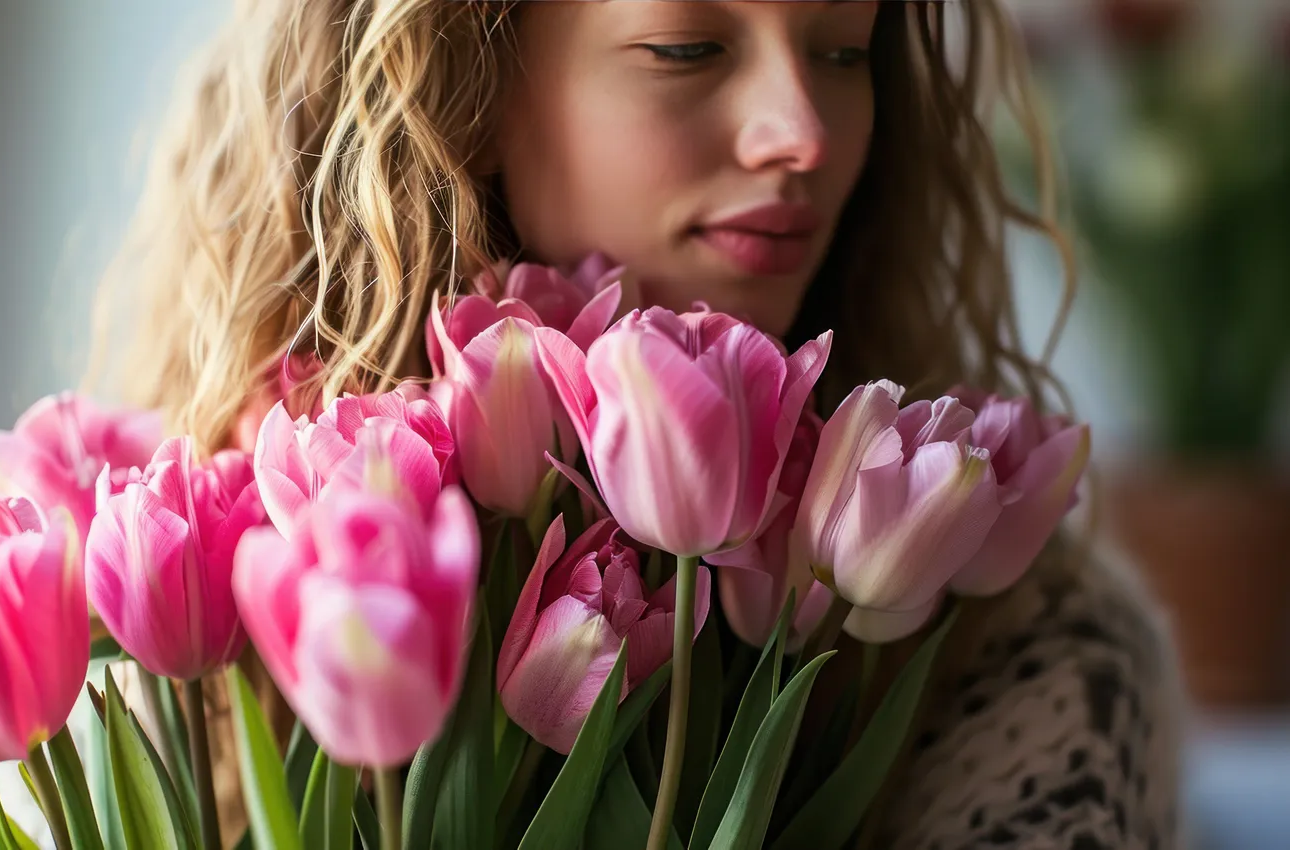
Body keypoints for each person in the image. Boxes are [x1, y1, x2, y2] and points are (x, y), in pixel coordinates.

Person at [89, 1, 1185, 847]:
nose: (802, 132)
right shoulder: (186, 610)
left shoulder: (1032, 652)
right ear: (462, 84)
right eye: (686, 47)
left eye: (845, 48)